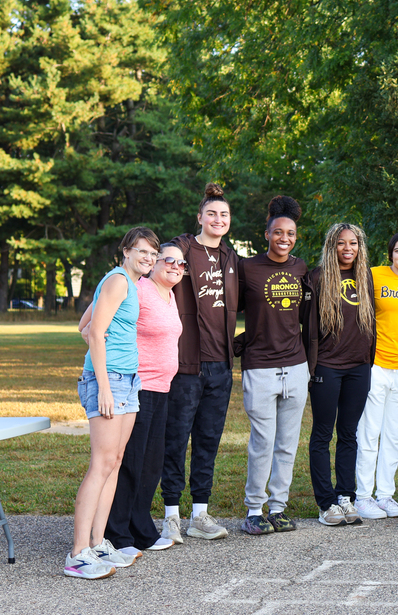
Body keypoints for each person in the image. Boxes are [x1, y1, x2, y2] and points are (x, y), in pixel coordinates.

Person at [65, 227, 159, 579]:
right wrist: (103, 387)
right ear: (126, 251)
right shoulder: (119, 281)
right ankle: (77, 554)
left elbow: (83, 324)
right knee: (101, 463)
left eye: (153, 253)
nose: (149, 258)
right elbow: (94, 334)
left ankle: (98, 541)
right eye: (143, 252)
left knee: (114, 462)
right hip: (111, 381)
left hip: (128, 380)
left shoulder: (125, 284)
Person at [161, 183, 240, 544]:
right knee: (176, 438)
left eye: (223, 214)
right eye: (211, 213)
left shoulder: (230, 258)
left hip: (220, 365)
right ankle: (171, 516)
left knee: (208, 440)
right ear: (199, 217)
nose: (218, 219)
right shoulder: (182, 250)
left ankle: (199, 515)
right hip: (186, 364)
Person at [100, 243, 184, 556]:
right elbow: (97, 324)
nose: (175, 266)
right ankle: (117, 533)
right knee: (131, 462)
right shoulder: (139, 288)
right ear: (154, 262)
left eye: (181, 263)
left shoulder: (170, 295)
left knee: (151, 465)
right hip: (137, 387)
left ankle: (141, 529)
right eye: (169, 260)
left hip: (162, 388)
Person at [236, 196, 309, 535]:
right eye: (278, 232)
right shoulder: (247, 268)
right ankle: (254, 509)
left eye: (290, 234)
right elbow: (226, 311)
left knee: (287, 442)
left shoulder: (301, 268)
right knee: (262, 441)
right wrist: (238, 342)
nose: (284, 238)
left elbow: (308, 317)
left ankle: (278, 507)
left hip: (295, 367)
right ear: (266, 234)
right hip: (260, 368)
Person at [304, 224, 376, 526]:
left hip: (358, 368)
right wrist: (313, 367)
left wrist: (367, 361)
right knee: (322, 433)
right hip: (327, 368)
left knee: (349, 434)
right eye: (341, 243)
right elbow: (306, 326)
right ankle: (326, 503)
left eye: (354, 243)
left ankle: (345, 496)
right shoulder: (318, 278)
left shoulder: (365, 277)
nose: (348, 248)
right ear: (331, 245)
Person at [354, 232, 398, 520]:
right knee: (369, 433)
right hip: (376, 365)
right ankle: (362, 497)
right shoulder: (374, 275)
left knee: (394, 436)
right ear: (390, 254)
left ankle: (385, 496)